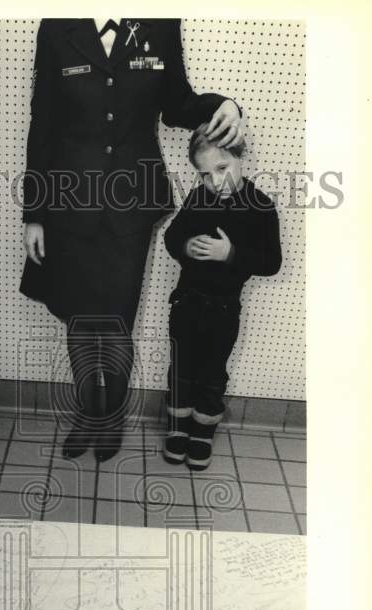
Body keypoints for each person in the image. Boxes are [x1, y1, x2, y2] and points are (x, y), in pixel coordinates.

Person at [20, 17, 244, 462]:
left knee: (117, 321)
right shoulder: (56, 27)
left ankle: (112, 417)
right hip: (69, 202)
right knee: (80, 322)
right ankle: (88, 412)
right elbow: (42, 122)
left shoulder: (159, 24)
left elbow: (178, 104)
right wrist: (34, 214)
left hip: (131, 205)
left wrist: (225, 104)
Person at [161, 124, 282, 468]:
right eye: (204, 174)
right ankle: (178, 429)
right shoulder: (198, 198)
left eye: (221, 169)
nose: (214, 181)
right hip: (186, 304)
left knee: (213, 373)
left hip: (224, 310)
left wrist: (230, 254)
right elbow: (173, 238)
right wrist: (185, 245)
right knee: (180, 369)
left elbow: (271, 262)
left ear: (240, 157)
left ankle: (202, 433)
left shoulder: (261, 206)